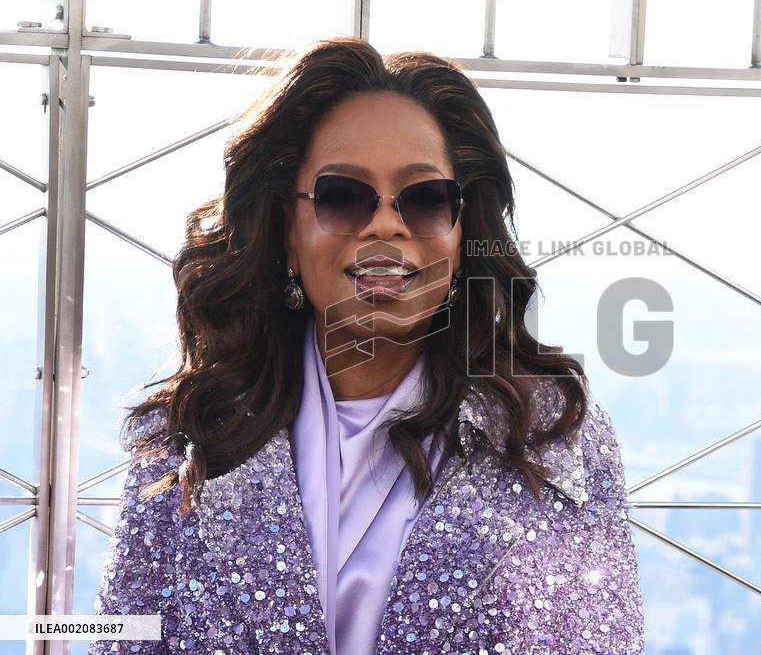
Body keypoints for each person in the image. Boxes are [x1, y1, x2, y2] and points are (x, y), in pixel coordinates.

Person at [88, 37, 644, 654]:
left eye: (426, 199)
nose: (386, 224)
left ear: (463, 237)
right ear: (284, 229)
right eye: (342, 196)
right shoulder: (184, 437)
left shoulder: (551, 437)